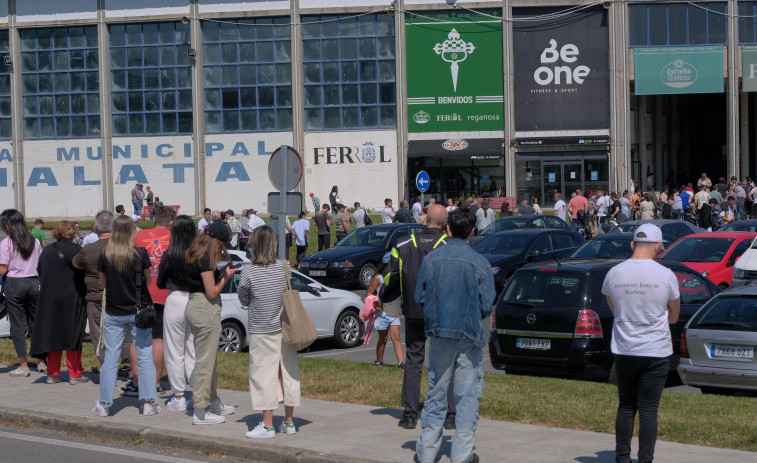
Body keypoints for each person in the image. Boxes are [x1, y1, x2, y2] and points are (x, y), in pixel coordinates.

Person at [413, 208, 496, 463]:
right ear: (473, 232)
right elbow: (486, 305)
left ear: (447, 228)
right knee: (467, 396)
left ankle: (427, 453)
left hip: (439, 333)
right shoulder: (480, 262)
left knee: (436, 393)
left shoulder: (432, 260)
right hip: (469, 334)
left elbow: (420, 297)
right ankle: (461, 455)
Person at [601, 224, 680, 463]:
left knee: (626, 406)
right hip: (656, 350)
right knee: (648, 410)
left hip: (625, 349)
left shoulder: (614, 273)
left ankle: (622, 458)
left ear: (632, 244)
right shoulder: (666, 275)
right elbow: (674, 316)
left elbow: (615, 310)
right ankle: (645, 459)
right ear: (658, 247)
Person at [382, 204, 454, 430]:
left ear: (425, 220)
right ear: (445, 225)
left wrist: (385, 297)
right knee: (445, 362)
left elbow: (389, 278)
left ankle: (410, 415)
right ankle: (451, 416)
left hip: (413, 311)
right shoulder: (450, 245)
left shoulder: (403, 244)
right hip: (442, 313)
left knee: (413, 361)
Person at [93, 215, 159, 417]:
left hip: (114, 311)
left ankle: (104, 403)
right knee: (145, 355)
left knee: (111, 357)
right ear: (132, 232)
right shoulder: (140, 253)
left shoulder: (106, 254)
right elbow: (148, 281)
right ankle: (149, 402)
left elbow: (103, 283)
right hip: (138, 310)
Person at [238, 226, 301, 438]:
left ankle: (267, 426)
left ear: (255, 244)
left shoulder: (248, 271)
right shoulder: (285, 267)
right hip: (284, 329)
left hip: (260, 330)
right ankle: (289, 423)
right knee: (288, 373)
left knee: (264, 376)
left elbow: (244, 298)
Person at [184, 233, 238, 424]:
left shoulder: (194, 257)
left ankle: (213, 402)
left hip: (195, 306)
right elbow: (212, 291)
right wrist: (227, 277)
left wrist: (223, 272)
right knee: (205, 363)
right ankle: (200, 411)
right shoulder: (205, 261)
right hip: (205, 309)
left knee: (209, 361)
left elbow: (205, 283)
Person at [30, 221, 88, 384]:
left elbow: (40, 271)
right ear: (72, 233)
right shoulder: (77, 250)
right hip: (73, 297)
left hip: (50, 298)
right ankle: (75, 373)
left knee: (53, 335)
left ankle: (53, 373)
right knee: (73, 334)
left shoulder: (47, 251)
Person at [156, 214, 197, 412]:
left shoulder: (169, 254)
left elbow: (159, 282)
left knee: (174, 350)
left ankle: (179, 395)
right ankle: (198, 393)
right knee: (193, 350)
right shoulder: (199, 254)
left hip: (175, 299)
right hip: (195, 299)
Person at [135, 206, 176, 395]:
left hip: (141, 293)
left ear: (154, 220)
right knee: (158, 338)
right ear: (171, 222)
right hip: (163, 293)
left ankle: (136, 381)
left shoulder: (140, 236)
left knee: (137, 338)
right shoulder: (175, 239)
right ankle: (156, 383)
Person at [0, 209, 44, 377]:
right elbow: (40, 264)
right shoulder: (34, 241)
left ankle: (23, 365)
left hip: (14, 283)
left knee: (17, 325)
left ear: (8, 225)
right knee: (35, 322)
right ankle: (41, 362)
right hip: (33, 282)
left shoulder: (6, 243)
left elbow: (3, 270)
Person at [74, 210, 114, 365]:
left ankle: (105, 364)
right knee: (124, 332)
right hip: (121, 297)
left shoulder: (89, 249)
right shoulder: (125, 247)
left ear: (96, 229)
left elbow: (76, 263)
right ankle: (129, 366)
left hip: (96, 295)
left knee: (97, 331)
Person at [365, 254, 404, 368]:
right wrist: (375, 304)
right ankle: (379, 361)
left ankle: (401, 363)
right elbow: (369, 293)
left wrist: (401, 309)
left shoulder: (397, 277)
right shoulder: (378, 278)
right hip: (382, 313)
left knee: (396, 337)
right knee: (383, 339)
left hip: (394, 311)